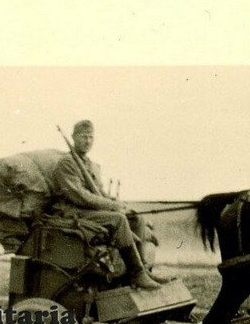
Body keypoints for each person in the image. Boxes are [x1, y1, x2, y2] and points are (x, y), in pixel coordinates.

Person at [50, 120, 167, 291]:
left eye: (91, 137)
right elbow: (79, 196)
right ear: (74, 137)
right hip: (73, 212)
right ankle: (136, 274)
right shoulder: (66, 164)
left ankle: (143, 270)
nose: (88, 141)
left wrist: (118, 203)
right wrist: (111, 206)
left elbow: (100, 193)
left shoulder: (91, 165)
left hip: (89, 211)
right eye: (83, 136)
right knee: (118, 220)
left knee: (136, 218)